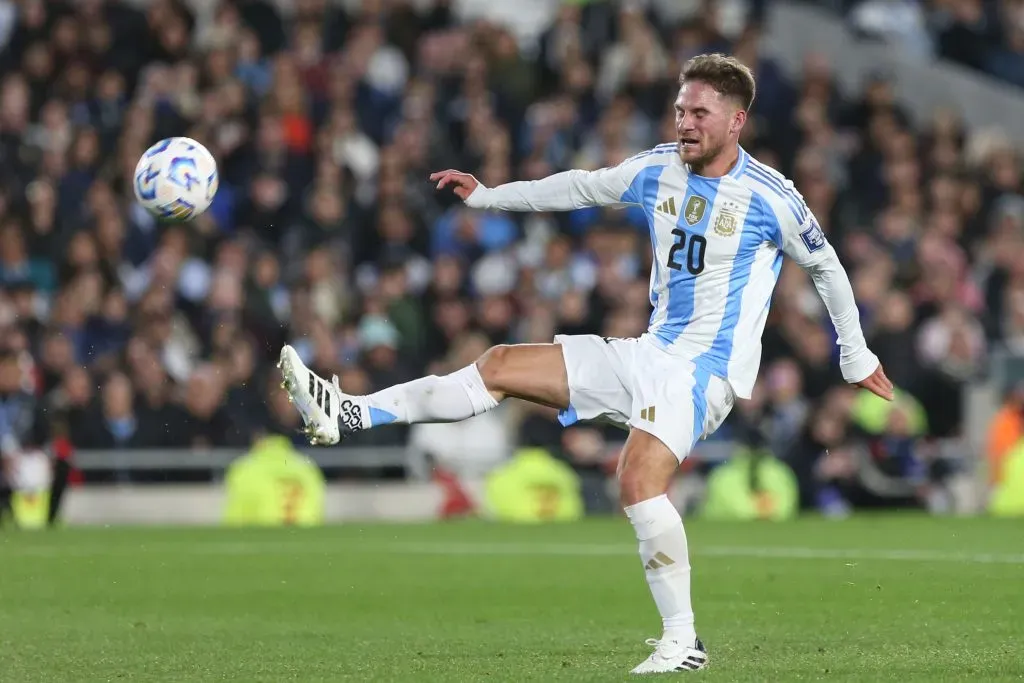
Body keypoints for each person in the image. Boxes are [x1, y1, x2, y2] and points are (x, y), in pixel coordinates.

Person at [277, 53, 894, 674]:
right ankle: (349, 416)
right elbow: (578, 186)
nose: (684, 122)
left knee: (636, 478)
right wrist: (489, 197)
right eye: (681, 109)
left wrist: (854, 353)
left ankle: (682, 642)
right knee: (499, 364)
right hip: (650, 352)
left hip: (704, 370)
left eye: (699, 112)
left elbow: (827, 267)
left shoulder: (770, 196)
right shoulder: (658, 169)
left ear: (737, 121)